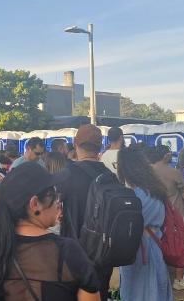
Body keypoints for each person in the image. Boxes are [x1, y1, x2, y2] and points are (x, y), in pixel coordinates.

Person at [0, 162, 100, 301]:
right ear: (35, 203)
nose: (58, 202)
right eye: (54, 194)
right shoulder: (68, 250)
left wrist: (5, 215)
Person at [56, 124, 115, 299]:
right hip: (104, 252)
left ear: (75, 144)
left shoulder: (67, 174)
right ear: (101, 146)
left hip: (75, 250)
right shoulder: (110, 176)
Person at [115, 147, 173, 300]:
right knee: (156, 291)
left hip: (138, 251)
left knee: (138, 292)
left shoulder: (135, 196)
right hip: (155, 247)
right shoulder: (155, 190)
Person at [150, 144, 184, 290]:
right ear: (165, 156)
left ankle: (161, 276)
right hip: (176, 213)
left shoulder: (148, 171)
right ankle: (179, 279)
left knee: (159, 244)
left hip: (155, 213)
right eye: (170, 153)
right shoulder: (174, 172)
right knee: (180, 245)